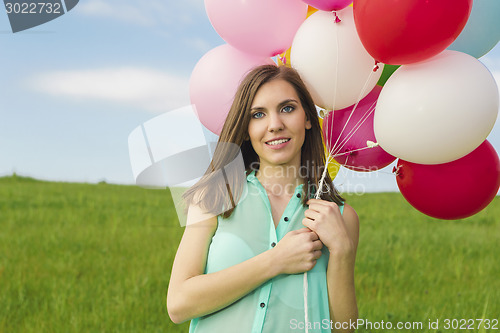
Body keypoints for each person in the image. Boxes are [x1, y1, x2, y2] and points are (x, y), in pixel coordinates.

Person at [167, 64, 359, 333]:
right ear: (246, 129)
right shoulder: (213, 197)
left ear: (308, 118)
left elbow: (344, 330)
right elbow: (178, 304)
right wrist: (275, 261)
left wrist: (342, 251)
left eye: (287, 108)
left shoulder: (340, 218)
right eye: (258, 114)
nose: (275, 125)